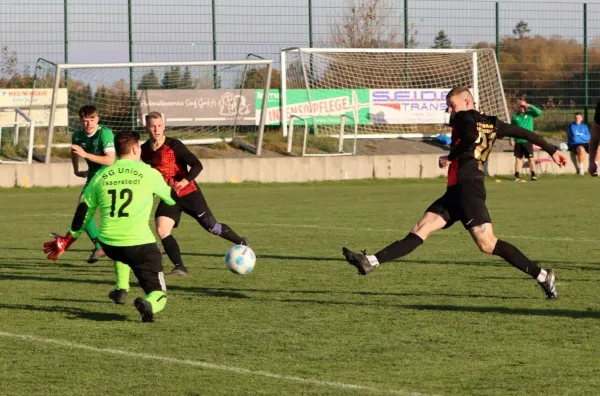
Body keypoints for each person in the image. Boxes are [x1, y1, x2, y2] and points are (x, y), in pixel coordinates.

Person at [342, 86, 568, 299]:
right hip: (456, 191)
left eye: (452, 105)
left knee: (487, 243)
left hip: (468, 188)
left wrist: (449, 157)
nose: (449, 110)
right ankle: (371, 261)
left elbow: (470, 136)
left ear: (467, 102)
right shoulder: (493, 124)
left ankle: (543, 275)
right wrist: (552, 150)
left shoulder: (464, 117)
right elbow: (526, 133)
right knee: (421, 228)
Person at [43, 131, 176, 322]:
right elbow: (171, 200)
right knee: (159, 293)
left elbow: (83, 213)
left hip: (110, 245)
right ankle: (150, 304)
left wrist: (67, 240)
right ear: (136, 148)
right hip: (141, 245)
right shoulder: (149, 173)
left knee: (123, 251)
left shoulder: (100, 176)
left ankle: (122, 289)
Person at [141, 111, 249, 276]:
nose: (156, 129)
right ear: (146, 127)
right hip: (169, 196)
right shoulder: (144, 150)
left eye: (159, 126)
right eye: (153, 126)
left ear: (164, 127)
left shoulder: (174, 145)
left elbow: (197, 165)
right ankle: (179, 267)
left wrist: (184, 181)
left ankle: (241, 242)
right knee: (162, 229)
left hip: (189, 193)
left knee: (212, 228)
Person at [68, 104, 115, 263]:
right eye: (85, 120)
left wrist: (85, 154)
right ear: (80, 120)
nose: (88, 124)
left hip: (111, 175)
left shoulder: (105, 133)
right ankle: (99, 246)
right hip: (94, 176)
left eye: (92, 120)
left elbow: (110, 160)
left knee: (115, 213)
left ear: (97, 119)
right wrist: (76, 170)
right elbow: (74, 151)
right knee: (82, 207)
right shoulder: (77, 135)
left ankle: (144, 246)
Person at [509, 99, 543, 181]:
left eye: (524, 107)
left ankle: (533, 174)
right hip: (518, 141)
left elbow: (539, 112)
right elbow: (511, 128)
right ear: (518, 107)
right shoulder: (515, 116)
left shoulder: (530, 114)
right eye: (521, 107)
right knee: (518, 159)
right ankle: (517, 175)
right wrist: (511, 138)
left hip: (527, 140)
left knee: (530, 158)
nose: (522, 108)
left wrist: (529, 105)